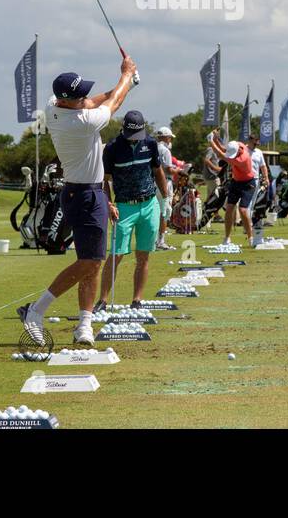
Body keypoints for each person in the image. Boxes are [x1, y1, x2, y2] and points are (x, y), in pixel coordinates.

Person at [19, 59, 138, 348]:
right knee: (90, 261)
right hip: (84, 195)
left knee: (93, 264)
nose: (86, 96)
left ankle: (84, 324)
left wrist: (119, 85)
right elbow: (114, 104)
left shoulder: (54, 105)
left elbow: (94, 100)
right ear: (67, 101)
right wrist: (126, 77)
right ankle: (35, 310)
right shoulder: (81, 123)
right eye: (80, 95)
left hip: (90, 192)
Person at [96, 110, 170, 311]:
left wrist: (166, 195)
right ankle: (102, 301)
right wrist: (108, 204)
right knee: (116, 254)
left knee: (143, 255)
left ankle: (137, 300)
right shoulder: (112, 148)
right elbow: (105, 181)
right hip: (123, 206)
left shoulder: (151, 143)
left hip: (149, 204)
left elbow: (157, 170)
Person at [208, 130, 257, 246]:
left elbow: (221, 154)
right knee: (229, 208)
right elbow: (225, 149)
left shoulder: (242, 159)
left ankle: (250, 237)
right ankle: (227, 238)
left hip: (248, 184)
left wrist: (210, 141)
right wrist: (216, 138)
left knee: (243, 210)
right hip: (236, 182)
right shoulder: (239, 145)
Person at [154, 126, 178, 251]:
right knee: (164, 212)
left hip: (152, 183)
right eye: (169, 138)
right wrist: (178, 170)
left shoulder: (152, 147)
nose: (170, 140)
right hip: (164, 183)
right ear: (166, 137)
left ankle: (153, 240)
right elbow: (168, 169)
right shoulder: (165, 151)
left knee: (154, 212)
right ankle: (161, 241)